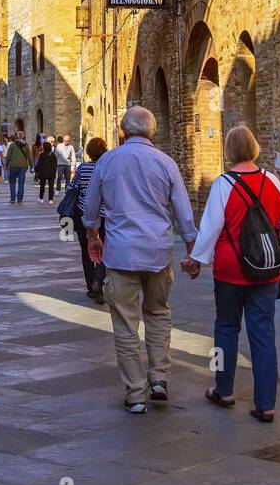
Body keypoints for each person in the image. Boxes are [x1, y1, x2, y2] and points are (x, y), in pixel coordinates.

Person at [83, 106, 196, 414]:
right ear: (152, 132)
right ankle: (159, 379)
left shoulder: (107, 161)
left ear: (123, 131)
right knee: (158, 313)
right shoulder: (166, 162)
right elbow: (184, 212)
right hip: (159, 251)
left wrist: (94, 237)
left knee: (125, 324)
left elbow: (90, 207)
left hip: (120, 254)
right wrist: (192, 250)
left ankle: (135, 393)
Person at [182, 124, 280, 424]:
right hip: (265, 269)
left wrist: (195, 260)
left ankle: (224, 389)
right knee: (263, 334)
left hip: (231, 269)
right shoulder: (271, 180)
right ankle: (266, 404)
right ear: (255, 148)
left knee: (226, 328)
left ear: (229, 151)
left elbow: (210, 229)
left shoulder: (223, 184)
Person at [68, 137, 107, 303]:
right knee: (106, 249)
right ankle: (99, 278)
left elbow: (71, 189)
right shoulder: (107, 168)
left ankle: (91, 286)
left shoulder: (83, 168)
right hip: (105, 215)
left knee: (86, 250)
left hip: (83, 215)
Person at [5, 133, 32, 202]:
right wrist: (31, 166)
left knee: (12, 182)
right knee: (21, 183)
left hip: (13, 165)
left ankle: (13, 198)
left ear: (16, 137)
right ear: (23, 137)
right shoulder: (26, 146)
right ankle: (20, 198)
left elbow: (8, 156)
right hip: (23, 166)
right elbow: (29, 157)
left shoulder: (12, 145)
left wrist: (6, 165)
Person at [36, 135, 57, 203]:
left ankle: (41, 198)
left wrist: (37, 171)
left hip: (43, 173)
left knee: (42, 186)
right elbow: (55, 164)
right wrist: (54, 171)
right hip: (51, 173)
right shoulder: (53, 154)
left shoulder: (42, 154)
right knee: (51, 187)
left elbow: (39, 164)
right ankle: (51, 199)